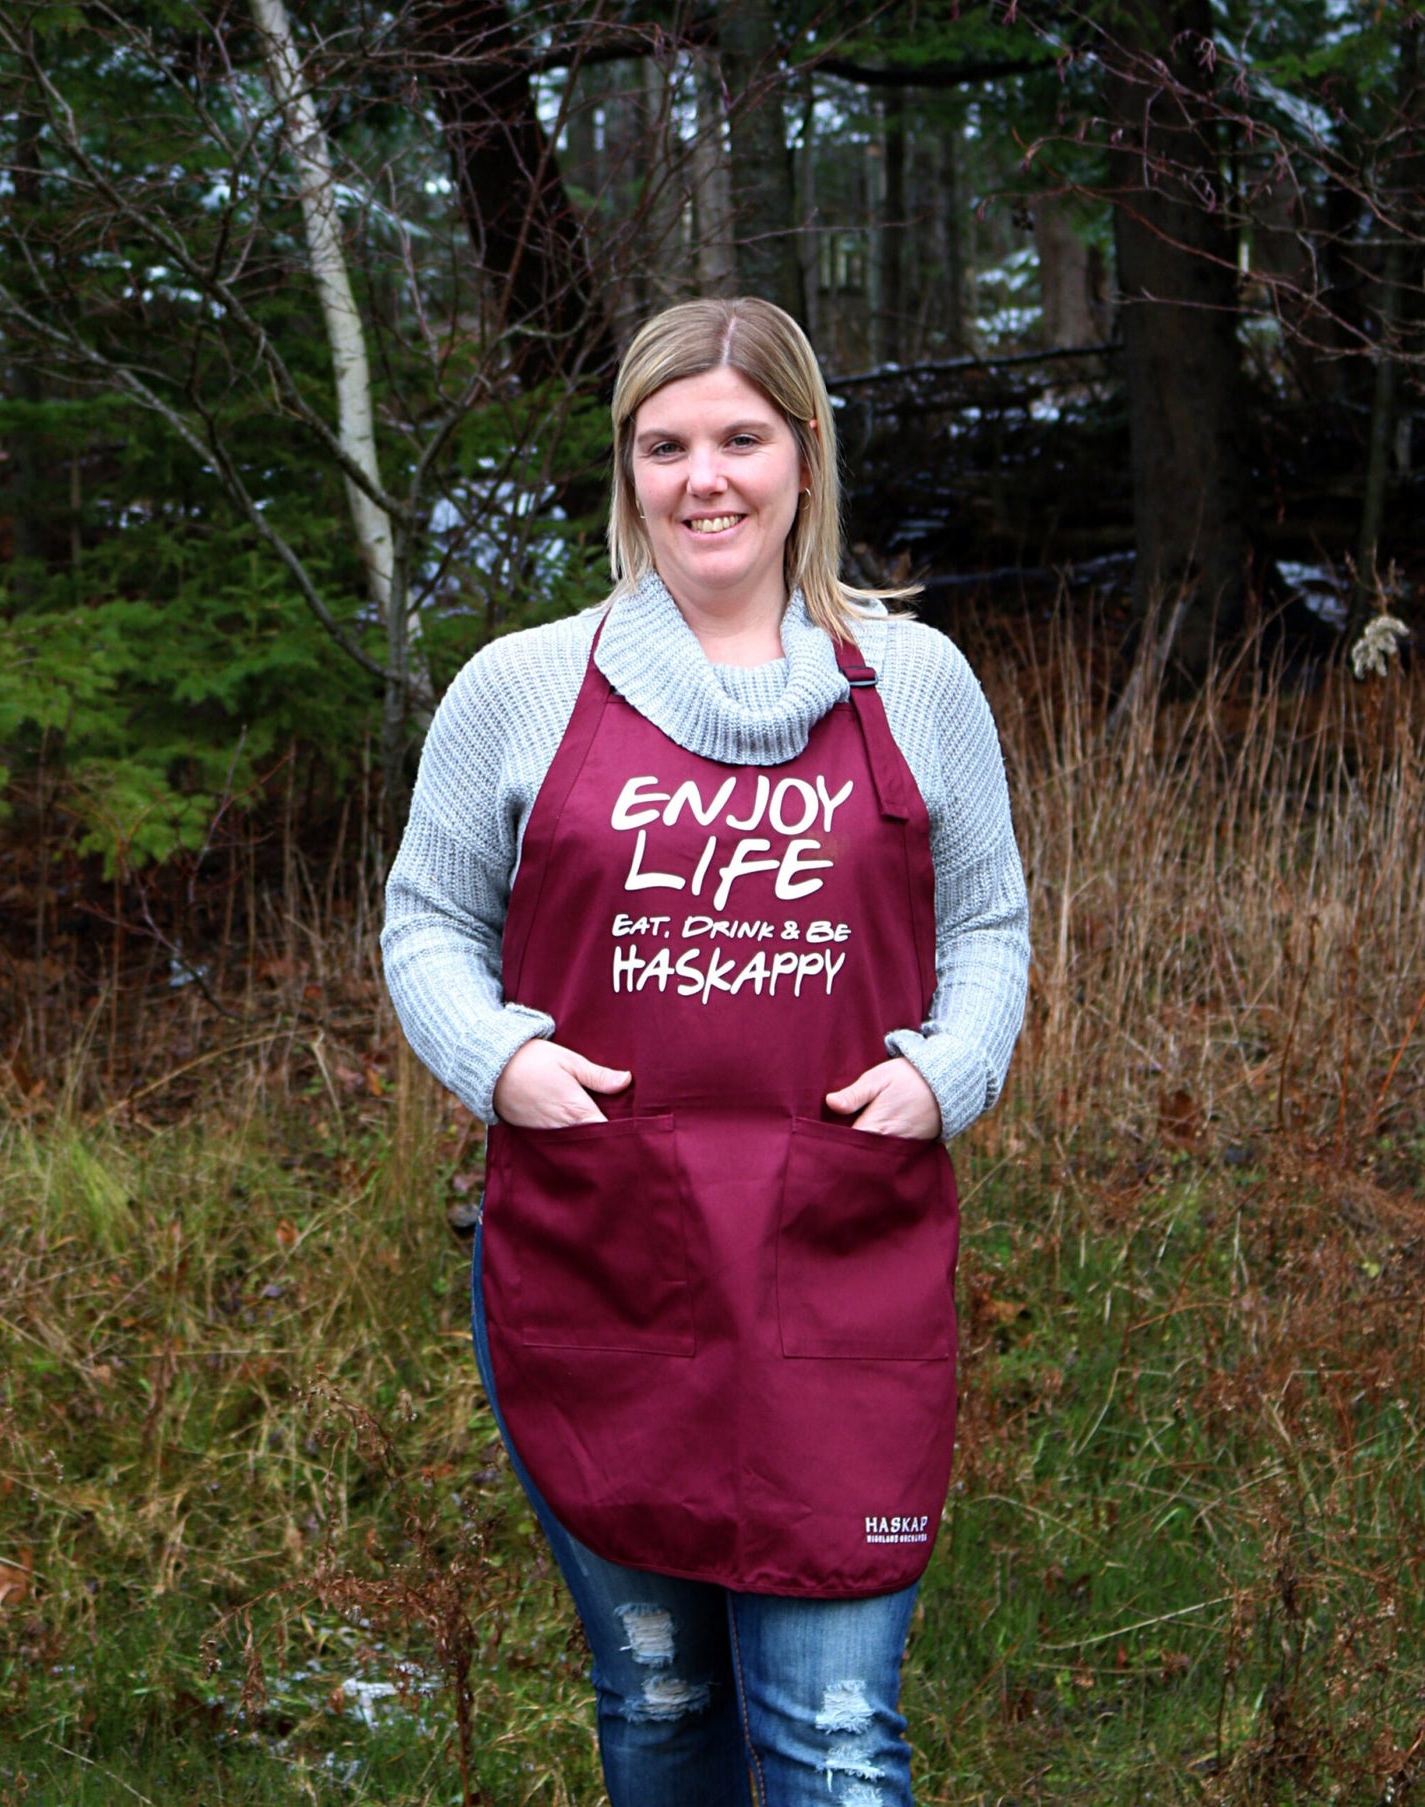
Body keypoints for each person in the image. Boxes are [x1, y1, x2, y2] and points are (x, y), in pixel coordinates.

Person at [382, 296, 1030, 1807]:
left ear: (803, 453)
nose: (704, 480)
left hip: (838, 1261)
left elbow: (989, 923)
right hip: (599, 1261)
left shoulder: (918, 681)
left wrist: (948, 1073)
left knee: (833, 1737)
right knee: (662, 1711)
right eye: (664, 446)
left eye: (740, 438)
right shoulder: (520, 687)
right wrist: (496, 1061)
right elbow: (424, 923)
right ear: (628, 473)